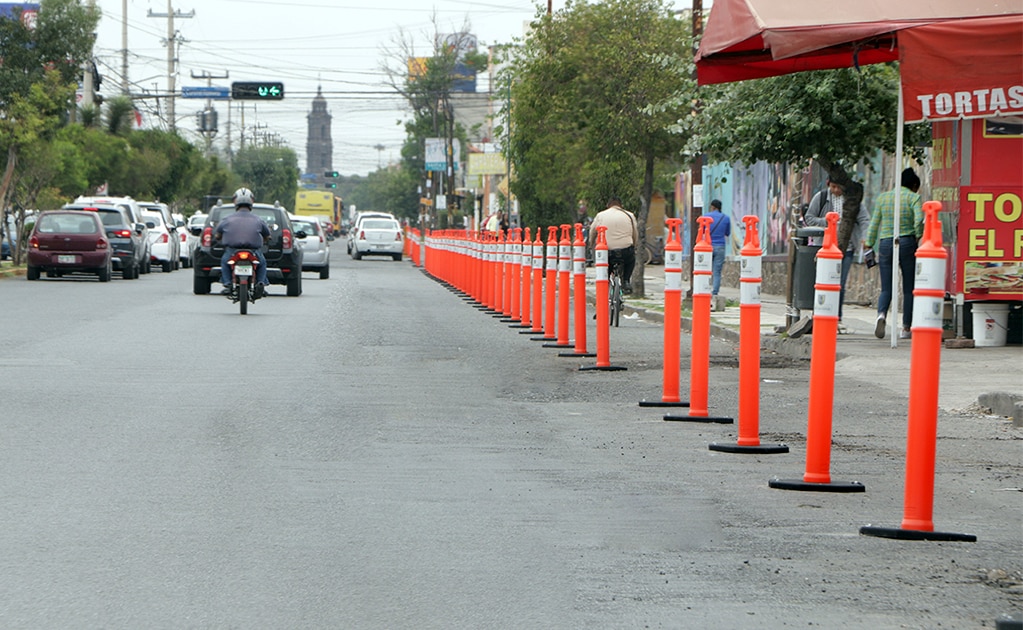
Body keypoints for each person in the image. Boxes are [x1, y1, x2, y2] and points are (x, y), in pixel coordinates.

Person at [865, 167, 924, 340]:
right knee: (908, 288)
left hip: (885, 244)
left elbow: (874, 223)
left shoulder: (883, 198)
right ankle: (906, 328)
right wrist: (917, 235)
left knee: (886, 287)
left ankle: (881, 315)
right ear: (913, 185)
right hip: (907, 242)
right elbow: (919, 219)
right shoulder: (914, 197)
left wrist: (869, 243)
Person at [802, 177, 869, 326]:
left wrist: (864, 238)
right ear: (828, 185)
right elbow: (809, 218)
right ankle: (821, 312)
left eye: (839, 187)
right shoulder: (821, 198)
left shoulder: (851, 200)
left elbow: (864, 219)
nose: (836, 190)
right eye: (833, 187)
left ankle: (836, 316)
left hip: (846, 247)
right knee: (823, 282)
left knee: (840, 283)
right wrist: (828, 222)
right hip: (824, 248)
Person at [215, 187, 270, 295]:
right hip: (253, 251)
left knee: (225, 262)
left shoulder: (227, 219)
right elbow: (267, 234)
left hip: (232, 251)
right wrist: (266, 239)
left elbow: (217, 234)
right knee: (262, 263)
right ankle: (260, 282)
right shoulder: (258, 220)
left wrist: (219, 238)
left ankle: (227, 283)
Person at [588, 197, 638, 294]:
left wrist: (591, 244)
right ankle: (626, 281)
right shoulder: (629, 215)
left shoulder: (600, 215)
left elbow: (592, 231)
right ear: (621, 206)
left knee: (606, 267)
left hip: (606, 252)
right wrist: (634, 245)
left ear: (608, 205)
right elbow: (635, 233)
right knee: (631, 260)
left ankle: (604, 282)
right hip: (626, 250)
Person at [706, 199, 731, 296]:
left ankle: (704, 289)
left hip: (707, 246)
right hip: (720, 246)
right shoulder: (726, 218)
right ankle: (715, 292)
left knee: (705, 270)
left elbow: (702, 231)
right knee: (717, 271)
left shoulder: (706, 217)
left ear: (712, 207)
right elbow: (727, 233)